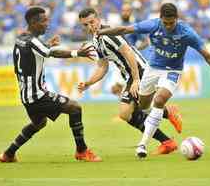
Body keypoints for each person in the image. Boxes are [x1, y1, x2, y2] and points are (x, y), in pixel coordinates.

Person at [98, 3, 210, 158]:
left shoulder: (187, 33)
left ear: (177, 19)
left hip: (172, 71)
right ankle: (168, 112)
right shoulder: (153, 25)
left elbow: (206, 55)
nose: (169, 26)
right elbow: (124, 30)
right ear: (161, 19)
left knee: (159, 99)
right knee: (142, 107)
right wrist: (102, 31)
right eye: (165, 23)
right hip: (152, 69)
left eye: (172, 23)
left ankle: (142, 145)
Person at [0, 6, 102, 163]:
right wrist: (77, 53)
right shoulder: (32, 41)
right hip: (37, 94)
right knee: (75, 108)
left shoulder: (21, 39)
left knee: (39, 123)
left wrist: (47, 45)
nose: (47, 24)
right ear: (33, 22)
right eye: (44, 20)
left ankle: (8, 154)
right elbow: (52, 53)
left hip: (26, 95)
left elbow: (35, 51)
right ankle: (82, 151)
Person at [77, 8, 182, 155]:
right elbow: (102, 66)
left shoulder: (108, 34)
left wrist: (136, 79)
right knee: (132, 112)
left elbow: (128, 52)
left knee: (126, 112)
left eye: (91, 22)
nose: (89, 27)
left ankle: (167, 130)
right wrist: (88, 83)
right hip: (130, 75)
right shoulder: (96, 40)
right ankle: (167, 133)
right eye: (85, 25)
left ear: (98, 19)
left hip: (139, 71)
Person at [110, 3, 150, 96]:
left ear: (131, 12)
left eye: (127, 10)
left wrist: (135, 49)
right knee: (115, 89)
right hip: (118, 59)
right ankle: (130, 106)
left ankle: (133, 106)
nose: (125, 13)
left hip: (130, 59)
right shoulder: (116, 24)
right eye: (123, 10)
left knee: (126, 87)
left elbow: (146, 41)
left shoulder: (134, 25)